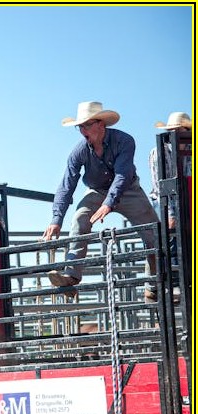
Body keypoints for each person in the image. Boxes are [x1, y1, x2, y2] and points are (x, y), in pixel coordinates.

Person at [44, 102, 159, 301]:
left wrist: (109, 202)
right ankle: (71, 276)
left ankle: (153, 285)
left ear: (101, 124)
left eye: (87, 125)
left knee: (153, 233)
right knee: (80, 219)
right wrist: (56, 219)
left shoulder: (124, 141)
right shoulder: (79, 151)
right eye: (80, 126)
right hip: (97, 191)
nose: (83, 130)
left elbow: (122, 175)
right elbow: (67, 184)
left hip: (128, 190)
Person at [148, 111, 191, 302]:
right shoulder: (159, 152)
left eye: (179, 130)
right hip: (163, 199)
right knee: (171, 234)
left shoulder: (191, 150)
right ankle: (173, 283)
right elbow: (161, 186)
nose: (175, 134)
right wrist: (172, 213)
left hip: (185, 198)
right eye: (172, 130)